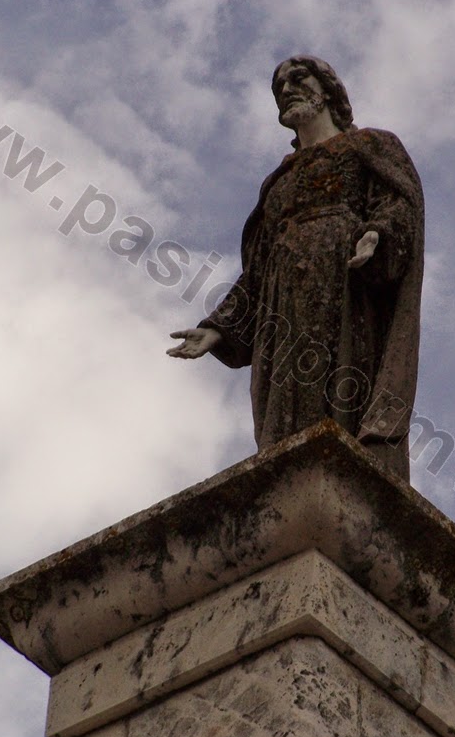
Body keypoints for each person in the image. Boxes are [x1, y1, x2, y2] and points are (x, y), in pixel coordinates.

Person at [167, 55, 424, 480]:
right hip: (281, 303)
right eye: (278, 85)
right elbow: (257, 271)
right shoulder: (278, 182)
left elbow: (399, 205)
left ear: (327, 90)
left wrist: (376, 234)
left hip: (345, 286)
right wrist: (218, 328)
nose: (286, 88)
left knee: (343, 386)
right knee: (284, 411)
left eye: (297, 78)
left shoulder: (371, 147)